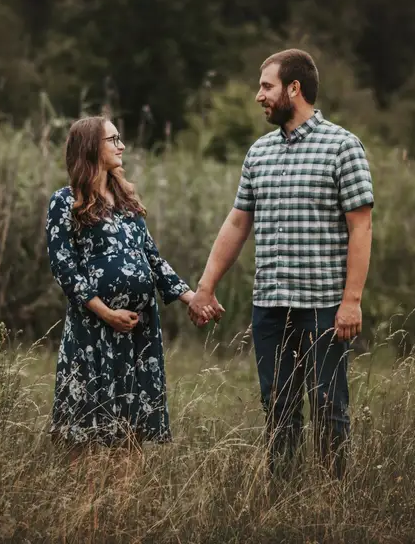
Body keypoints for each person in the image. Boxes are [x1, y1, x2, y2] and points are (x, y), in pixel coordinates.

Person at [188, 49, 374, 479]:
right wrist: (205, 286)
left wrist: (352, 301)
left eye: (266, 86)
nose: (259, 96)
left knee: (329, 404)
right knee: (277, 403)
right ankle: (282, 496)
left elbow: (361, 228)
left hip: (324, 305)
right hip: (270, 305)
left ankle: (331, 497)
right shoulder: (259, 153)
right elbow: (237, 223)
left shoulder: (342, 147)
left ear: (294, 89)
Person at [46, 116, 218, 459]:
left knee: (132, 424)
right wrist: (107, 313)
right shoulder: (65, 202)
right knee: (87, 426)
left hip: (138, 330)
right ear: (92, 147)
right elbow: (66, 269)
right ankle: (82, 503)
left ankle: (125, 501)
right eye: (113, 139)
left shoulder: (125, 200)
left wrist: (192, 297)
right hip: (94, 330)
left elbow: (153, 260)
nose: (121, 145)